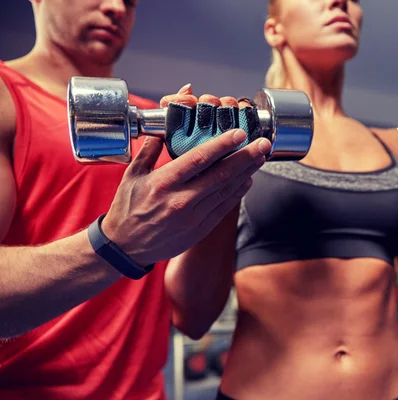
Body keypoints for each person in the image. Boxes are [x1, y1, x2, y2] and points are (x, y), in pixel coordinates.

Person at [163, 0, 398, 399]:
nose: (340, 2)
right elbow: (191, 316)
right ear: (274, 30)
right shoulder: (239, 134)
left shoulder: (392, 146)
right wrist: (222, 177)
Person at [0, 0, 272, 398]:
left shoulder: (163, 125)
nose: (115, 8)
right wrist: (114, 243)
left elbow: (192, 316)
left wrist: (226, 179)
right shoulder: (6, 98)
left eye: (129, 1)